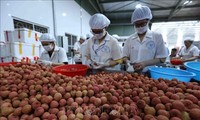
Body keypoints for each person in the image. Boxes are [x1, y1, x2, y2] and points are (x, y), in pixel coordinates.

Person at [122, 6, 168, 72]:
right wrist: (127, 62)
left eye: (142, 23)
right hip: (132, 73)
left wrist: (144, 64)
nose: (140, 26)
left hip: (149, 73)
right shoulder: (129, 39)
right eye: (137, 24)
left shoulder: (157, 36)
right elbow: (124, 56)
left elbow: (162, 58)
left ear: (148, 21)